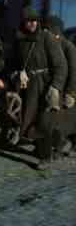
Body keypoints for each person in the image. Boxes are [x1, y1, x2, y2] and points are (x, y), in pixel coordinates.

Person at [8, 7, 67, 170]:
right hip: (28, 87)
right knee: (32, 121)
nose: (32, 23)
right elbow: (11, 64)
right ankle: (60, 144)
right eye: (28, 20)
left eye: (34, 20)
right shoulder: (19, 40)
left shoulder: (46, 38)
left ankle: (45, 157)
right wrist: (16, 74)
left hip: (46, 85)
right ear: (23, 22)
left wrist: (55, 86)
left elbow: (61, 65)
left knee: (43, 121)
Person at [42, 15, 76, 157]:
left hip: (65, 89)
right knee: (52, 119)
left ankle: (65, 145)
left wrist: (71, 92)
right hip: (54, 87)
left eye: (47, 28)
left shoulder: (68, 47)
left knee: (64, 121)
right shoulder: (48, 43)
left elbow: (74, 70)